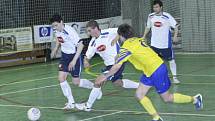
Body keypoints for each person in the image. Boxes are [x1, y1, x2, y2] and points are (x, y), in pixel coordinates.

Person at [92, 24, 203, 121]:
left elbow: (116, 67)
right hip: (149, 71)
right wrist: (118, 56)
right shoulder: (138, 39)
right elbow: (136, 52)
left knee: (167, 98)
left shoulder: (126, 47)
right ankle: (156, 117)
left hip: (157, 70)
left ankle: (195, 99)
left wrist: (105, 76)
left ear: (121, 36)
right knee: (139, 95)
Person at [76, 20, 139, 111]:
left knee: (98, 82)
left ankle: (87, 106)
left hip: (117, 62)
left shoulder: (109, 32)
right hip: (109, 65)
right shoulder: (93, 42)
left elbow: (123, 30)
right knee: (118, 82)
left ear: (95, 29)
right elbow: (88, 55)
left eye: (89, 31)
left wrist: (116, 38)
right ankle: (140, 85)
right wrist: (86, 61)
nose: (88, 33)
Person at [50, 14, 94, 110]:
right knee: (61, 78)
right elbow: (59, 39)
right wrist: (55, 49)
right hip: (65, 56)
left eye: (56, 25)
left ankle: (94, 87)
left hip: (75, 56)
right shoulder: (56, 30)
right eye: (53, 26)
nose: (55, 28)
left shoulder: (70, 31)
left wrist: (74, 61)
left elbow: (81, 45)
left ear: (61, 22)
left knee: (76, 82)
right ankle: (71, 102)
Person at [143, 0, 180, 84]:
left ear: (161, 7)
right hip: (154, 44)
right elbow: (148, 27)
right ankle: (153, 77)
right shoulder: (150, 16)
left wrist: (175, 36)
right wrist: (144, 36)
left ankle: (175, 77)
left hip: (165, 44)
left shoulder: (167, 16)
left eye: (156, 7)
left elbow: (176, 27)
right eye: (154, 7)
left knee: (171, 60)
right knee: (152, 61)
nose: (155, 9)